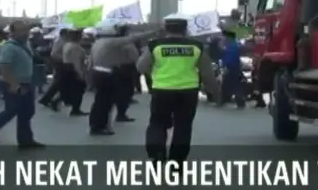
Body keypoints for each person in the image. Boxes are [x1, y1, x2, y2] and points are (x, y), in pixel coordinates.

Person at [137, 18, 219, 162]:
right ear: (185, 30)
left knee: (157, 123)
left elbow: (141, 67)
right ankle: (176, 163)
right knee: (183, 127)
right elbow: (207, 73)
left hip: (162, 90)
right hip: (188, 92)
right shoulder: (196, 46)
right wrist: (215, 92)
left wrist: (155, 75)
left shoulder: (155, 46)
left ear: (166, 29)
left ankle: (156, 153)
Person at [88, 24, 157, 135]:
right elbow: (133, 38)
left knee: (99, 102)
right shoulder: (110, 42)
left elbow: (90, 62)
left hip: (97, 73)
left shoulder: (97, 43)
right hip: (107, 74)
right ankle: (99, 126)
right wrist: (153, 32)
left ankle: (96, 125)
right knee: (105, 103)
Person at [0, 21, 43, 148]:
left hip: (27, 83)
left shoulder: (26, 44)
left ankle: (26, 140)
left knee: (27, 112)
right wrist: (13, 84)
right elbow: (4, 67)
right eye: (21, 30)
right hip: (14, 83)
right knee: (10, 111)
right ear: (12, 32)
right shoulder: (9, 47)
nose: (25, 33)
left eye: (26, 30)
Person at [39, 28, 69, 110]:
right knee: (59, 84)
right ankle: (48, 100)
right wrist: (64, 59)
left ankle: (48, 100)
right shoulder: (60, 41)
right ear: (64, 34)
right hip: (60, 64)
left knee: (59, 84)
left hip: (61, 64)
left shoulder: (62, 41)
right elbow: (54, 53)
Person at [217, 24, 246, 109]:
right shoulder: (233, 44)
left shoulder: (231, 45)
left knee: (230, 85)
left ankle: (223, 101)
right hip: (234, 68)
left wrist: (226, 67)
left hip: (231, 68)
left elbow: (229, 57)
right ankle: (237, 101)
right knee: (234, 85)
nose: (223, 38)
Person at [61, 29, 88, 116]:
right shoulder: (76, 48)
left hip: (66, 68)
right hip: (74, 70)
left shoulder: (67, 45)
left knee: (72, 90)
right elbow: (76, 62)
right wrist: (80, 74)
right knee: (78, 91)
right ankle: (75, 109)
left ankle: (73, 107)